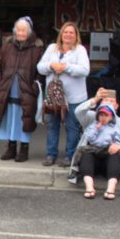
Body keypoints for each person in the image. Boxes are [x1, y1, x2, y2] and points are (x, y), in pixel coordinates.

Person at [37, 22, 90, 166]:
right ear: (61, 34)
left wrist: (66, 67)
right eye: (65, 32)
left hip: (74, 97)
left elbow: (85, 70)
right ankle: (51, 154)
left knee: (72, 126)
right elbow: (40, 67)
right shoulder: (51, 48)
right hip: (54, 96)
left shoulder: (80, 50)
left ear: (76, 35)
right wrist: (51, 66)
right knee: (52, 125)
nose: (68, 34)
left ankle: (70, 155)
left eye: (71, 32)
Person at [0, 17, 44, 163]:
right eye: (18, 30)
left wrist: (35, 86)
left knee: (24, 119)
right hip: (8, 89)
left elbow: (42, 71)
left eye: (24, 30)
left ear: (29, 32)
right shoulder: (7, 46)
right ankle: (11, 147)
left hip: (26, 90)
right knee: (10, 118)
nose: (20, 33)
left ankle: (24, 149)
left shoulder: (37, 49)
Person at [68, 88, 120, 197]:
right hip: (93, 156)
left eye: (111, 101)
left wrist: (119, 146)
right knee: (86, 154)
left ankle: (110, 189)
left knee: (115, 155)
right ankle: (89, 189)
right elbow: (78, 111)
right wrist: (95, 99)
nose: (108, 103)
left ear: (116, 106)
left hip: (110, 157)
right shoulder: (92, 118)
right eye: (105, 100)